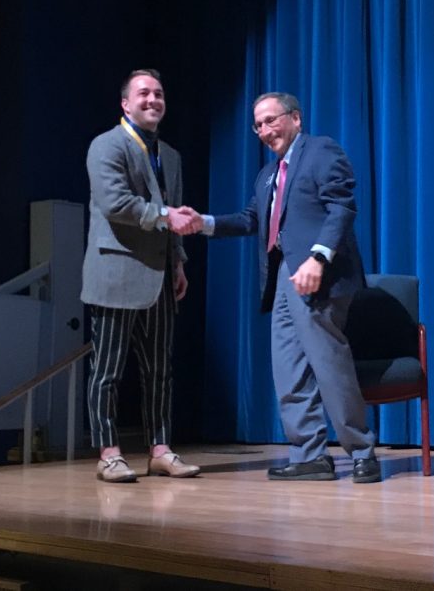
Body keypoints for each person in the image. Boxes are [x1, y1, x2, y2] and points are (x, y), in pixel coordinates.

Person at [185, 92, 381, 483]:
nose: (263, 131)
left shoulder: (321, 151)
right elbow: (249, 220)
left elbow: (342, 206)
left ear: (295, 118)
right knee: (288, 371)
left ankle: (362, 452)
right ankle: (309, 455)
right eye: (257, 125)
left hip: (317, 276)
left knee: (329, 365)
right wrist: (202, 223)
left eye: (271, 120)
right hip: (282, 281)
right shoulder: (267, 176)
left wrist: (318, 258)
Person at [81, 68, 201, 483]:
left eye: (159, 94)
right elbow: (117, 204)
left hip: (160, 278)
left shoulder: (170, 155)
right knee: (107, 371)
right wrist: (167, 216)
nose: (153, 100)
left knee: (160, 371)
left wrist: (179, 262)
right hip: (115, 273)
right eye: (144, 93)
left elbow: (177, 215)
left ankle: (160, 450)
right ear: (125, 103)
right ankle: (109, 453)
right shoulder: (106, 145)